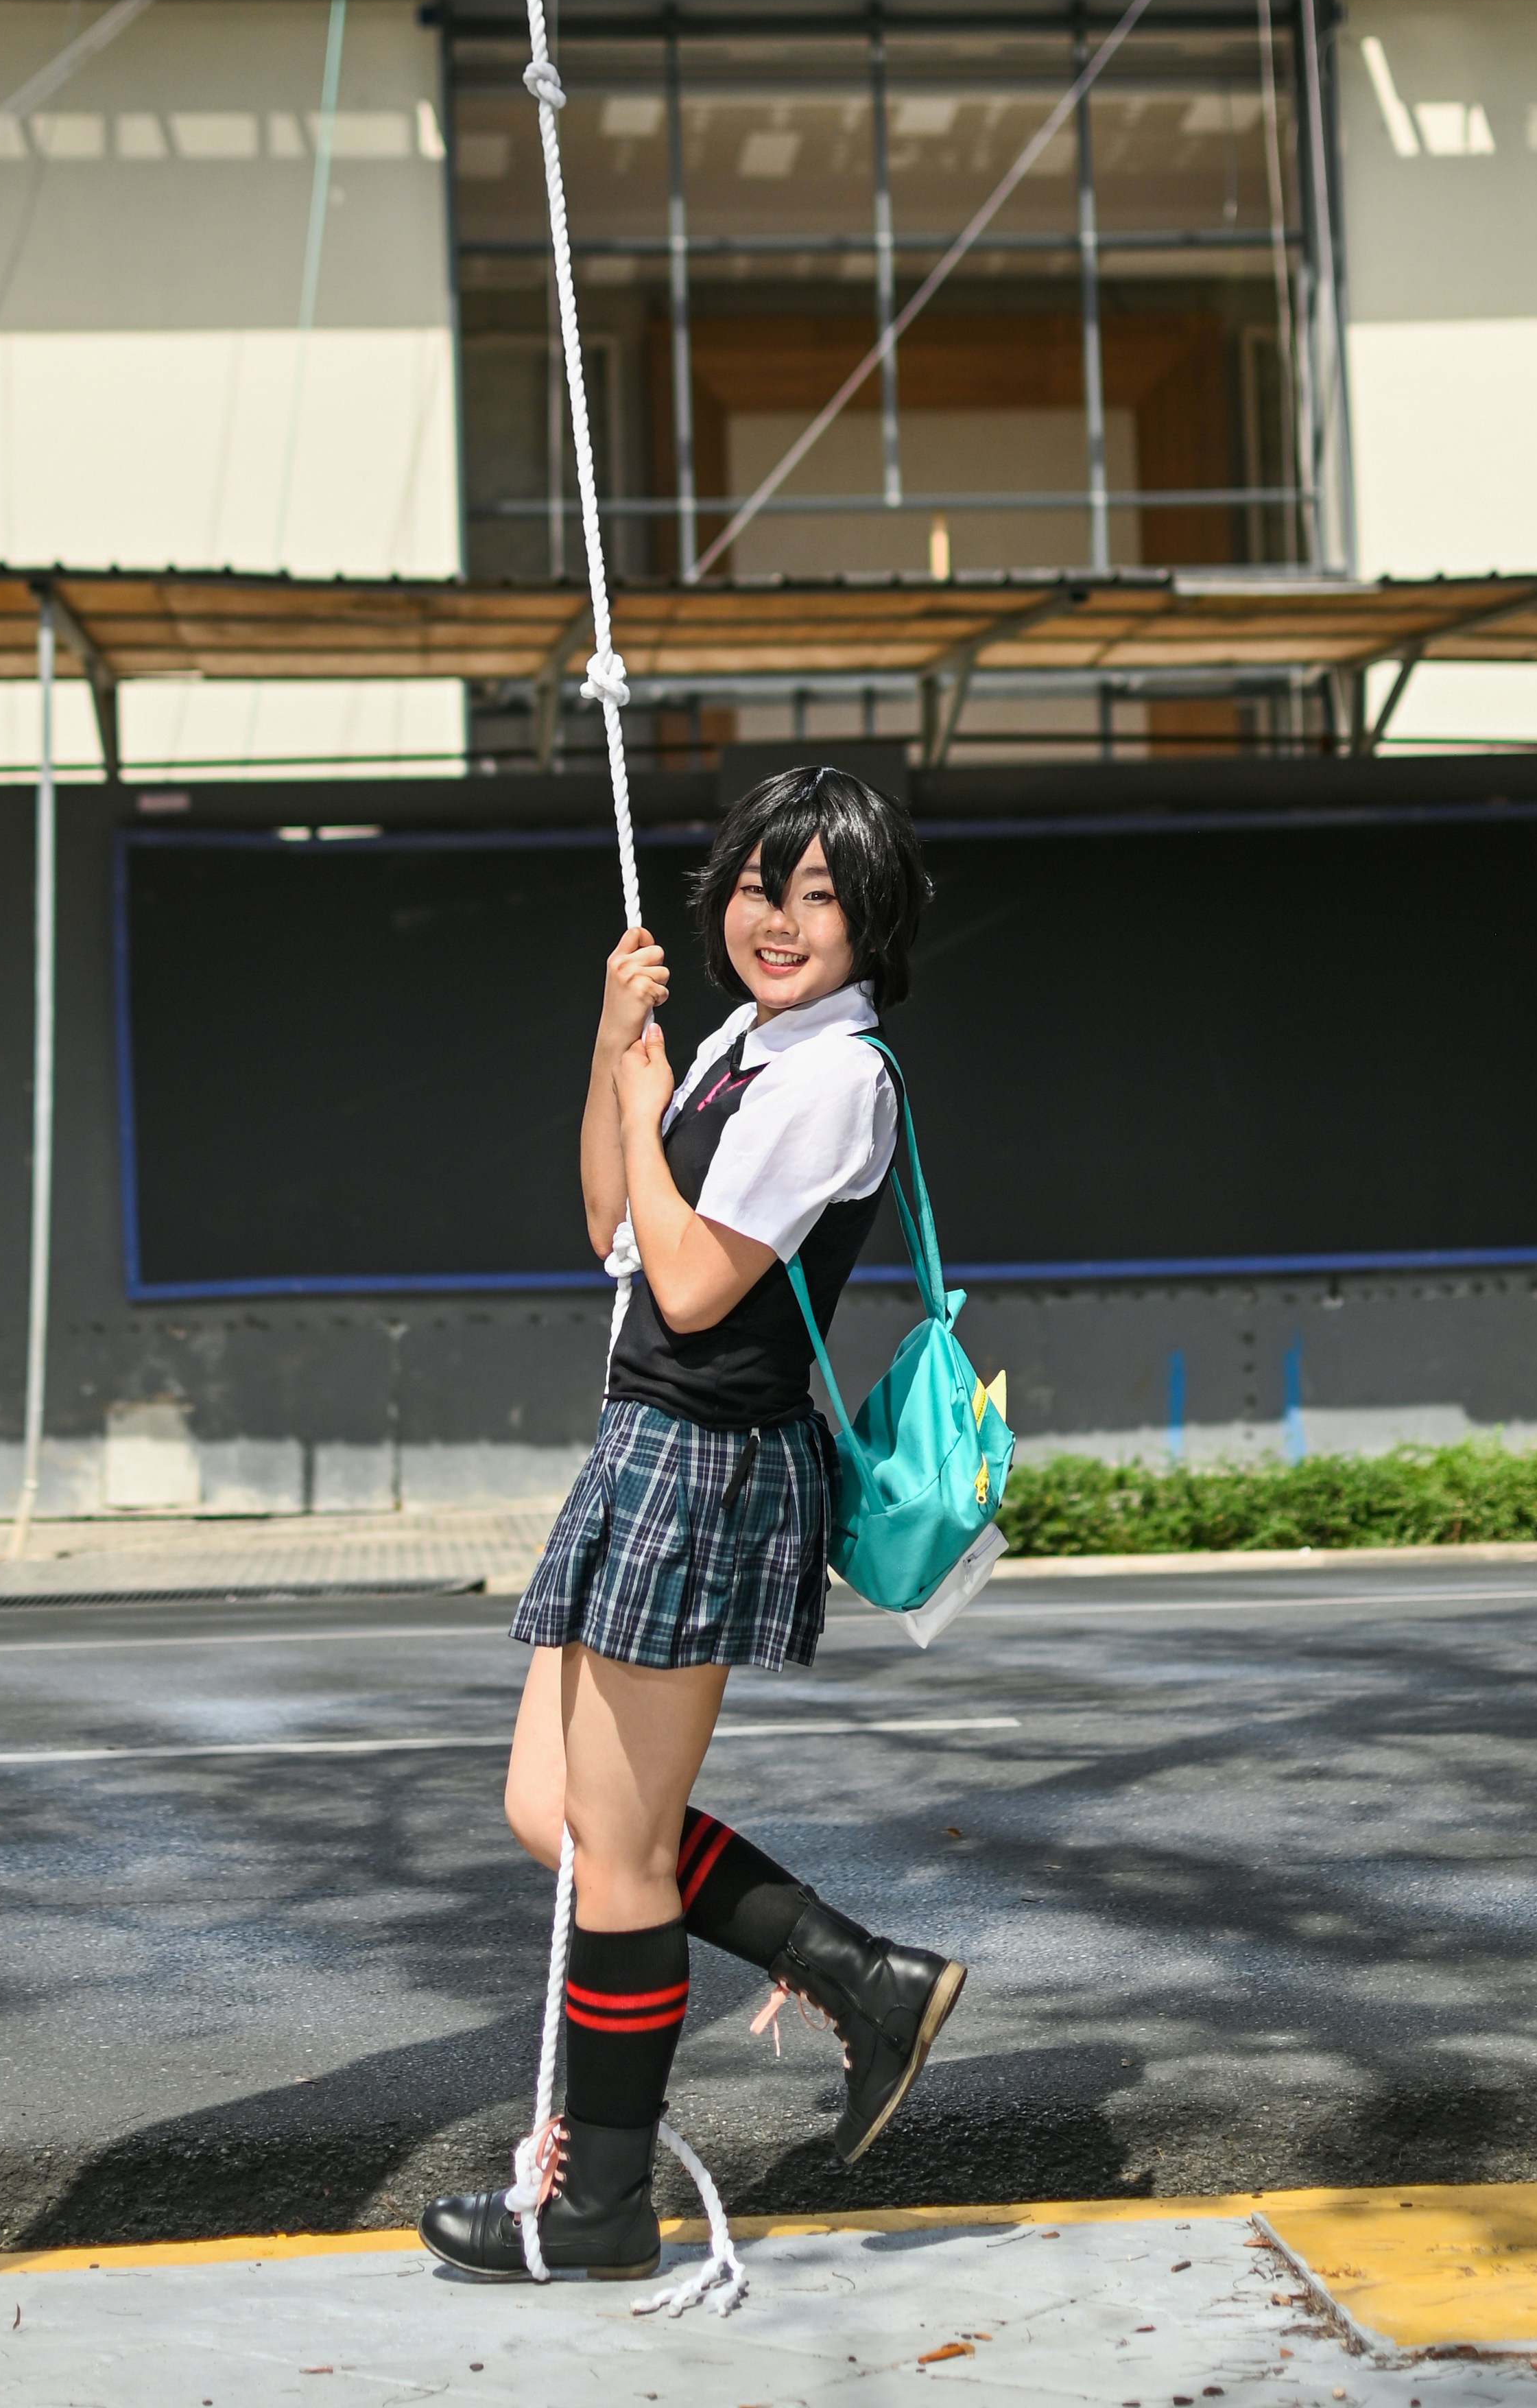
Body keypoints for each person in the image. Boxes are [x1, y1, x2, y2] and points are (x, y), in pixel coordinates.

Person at [419, 765, 967, 2285]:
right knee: (560, 1816)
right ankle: (859, 1972)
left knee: (621, 1851)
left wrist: (655, 1116)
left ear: (872, 923)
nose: (778, 921)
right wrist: (616, 1059)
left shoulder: (835, 1078)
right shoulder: (749, 1039)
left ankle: (599, 2207)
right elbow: (611, 1220)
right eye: (756, 887)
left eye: (817, 898)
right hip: (647, 1445)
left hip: (710, 1462)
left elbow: (692, 1285)